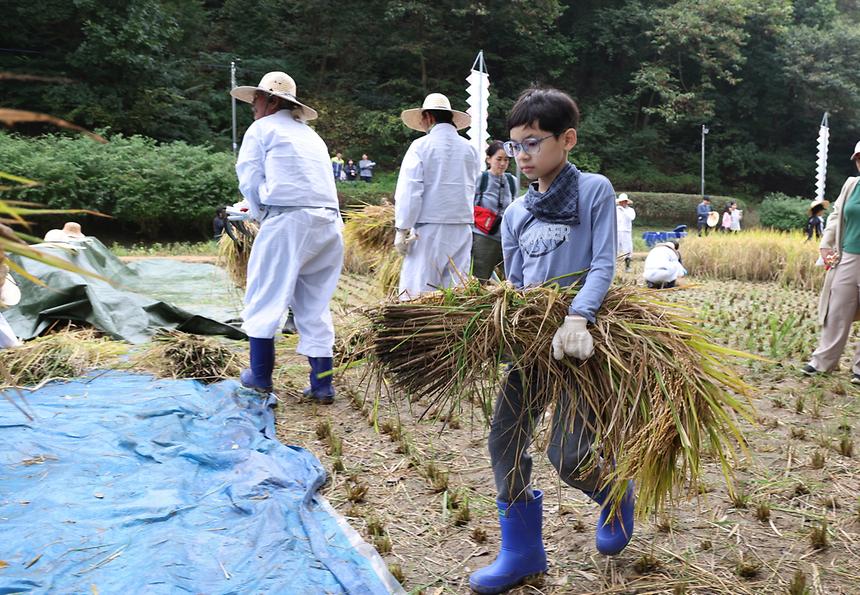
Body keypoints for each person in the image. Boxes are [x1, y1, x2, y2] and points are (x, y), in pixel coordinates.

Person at [469, 87, 632, 595]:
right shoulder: (517, 212)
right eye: (515, 145)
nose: (522, 155)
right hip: (534, 345)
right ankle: (521, 552)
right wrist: (500, 322)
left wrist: (579, 317)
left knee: (567, 454)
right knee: (504, 439)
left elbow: (603, 262)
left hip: (581, 344)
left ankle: (613, 493)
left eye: (533, 143)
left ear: (567, 139)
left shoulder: (594, 191)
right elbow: (517, 286)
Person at [230, 71, 343, 403]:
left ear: (272, 100)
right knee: (315, 304)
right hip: (328, 222)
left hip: (288, 221)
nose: (253, 106)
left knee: (265, 295)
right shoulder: (311, 136)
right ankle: (322, 383)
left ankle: (260, 376)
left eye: (256, 99)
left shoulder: (262, 129)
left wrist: (258, 211)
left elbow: (249, 178)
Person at [394, 93, 479, 298]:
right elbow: (472, 187)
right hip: (462, 227)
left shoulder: (421, 146)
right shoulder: (469, 150)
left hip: (427, 230)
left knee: (418, 293)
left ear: (429, 118)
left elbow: (410, 191)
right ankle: (450, 331)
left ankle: (417, 329)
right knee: (456, 294)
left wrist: (402, 228)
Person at [802, 140, 860, 383]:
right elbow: (836, 216)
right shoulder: (852, 185)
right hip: (849, 256)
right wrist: (826, 246)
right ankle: (823, 361)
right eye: (859, 158)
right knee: (836, 309)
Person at [471, 140, 519, 281]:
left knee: (511, 279)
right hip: (483, 236)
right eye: (499, 159)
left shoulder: (512, 181)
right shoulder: (481, 178)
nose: (503, 163)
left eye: (506, 160)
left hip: (507, 237)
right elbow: (470, 205)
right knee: (480, 278)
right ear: (488, 159)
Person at [615, 193, 635, 272]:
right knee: (615, 249)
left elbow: (631, 217)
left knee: (628, 249)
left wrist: (623, 210)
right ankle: (614, 267)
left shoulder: (630, 210)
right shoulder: (616, 210)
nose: (622, 203)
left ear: (626, 202)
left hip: (626, 232)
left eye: (624, 201)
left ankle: (627, 267)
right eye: (621, 201)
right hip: (617, 231)